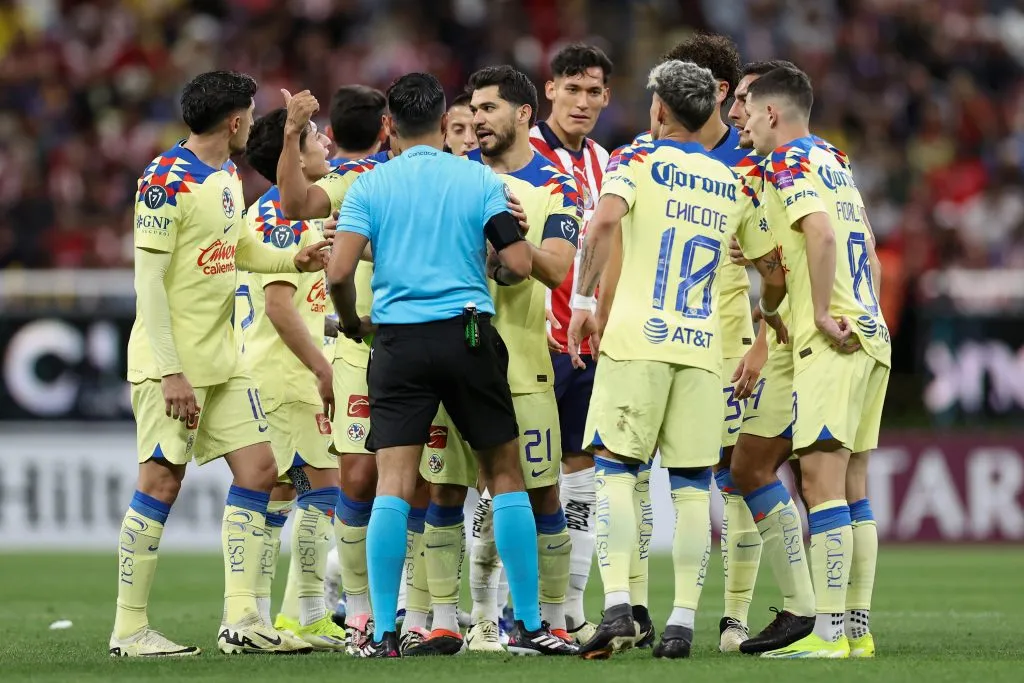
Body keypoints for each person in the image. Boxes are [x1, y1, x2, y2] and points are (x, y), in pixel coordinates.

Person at [324, 71, 573, 658]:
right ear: (443, 124)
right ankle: (534, 625)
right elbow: (515, 258)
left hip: (398, 343)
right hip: (467, 333)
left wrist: (354, 320)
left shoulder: (369, 186)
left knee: (395, 483)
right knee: (505, 476)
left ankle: (384, 631)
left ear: (389, 126)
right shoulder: (479, 180)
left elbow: (337, 272)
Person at [566, 59, 786, 661]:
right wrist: (764, 324)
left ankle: (616, 609)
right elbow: (774, 268)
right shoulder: (734, 184)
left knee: (614, 471)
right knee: (693, 488)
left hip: (636, 340)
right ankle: (684, 623)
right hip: (702, 349)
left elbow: (602, 224)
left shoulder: (632, 161)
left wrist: (584, 302)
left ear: (660, 108)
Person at [112, 70, 328, 657]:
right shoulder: (165, 180)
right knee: (161, 480)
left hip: (225, 361)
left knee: (260, 470)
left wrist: (295, 257)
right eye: (252, 117)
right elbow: (149, 282)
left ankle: (242, 621)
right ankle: (129, 629)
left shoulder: (228, 175)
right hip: (173, 364)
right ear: (234, 121)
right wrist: (169, 370)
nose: (253, 125)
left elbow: (236, 251)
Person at [413, 65, 582, 656]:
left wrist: (511, 241)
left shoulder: (559, 185)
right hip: (452, 357)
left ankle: (553, 622)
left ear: (524, 116)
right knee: (444, 495)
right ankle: (441, 622)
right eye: (473, 110)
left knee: (542, 496)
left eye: (488, 109)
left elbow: (557, 268)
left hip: (523, 365)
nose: (477, 120)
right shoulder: (452, 179)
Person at [742, 65, 890, 658]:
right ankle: (857, 630)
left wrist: (827, 316)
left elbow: (822, 236)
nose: (747, 124)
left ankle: (827, 633)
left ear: (773, 114)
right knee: (855, 488)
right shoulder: (835, 158)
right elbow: (872, 252)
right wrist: (866, 312)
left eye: (750, 112)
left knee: (818, 482)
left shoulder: (788, 160)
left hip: (831, 341)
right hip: (872, 333)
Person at [235, 108, 348, 650]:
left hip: (270, 370)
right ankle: (306, 614)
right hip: (287, 376)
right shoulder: (285, 212)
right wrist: (323, 368)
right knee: (324, 491)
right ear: (292, 155)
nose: (325, 140)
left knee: (279, 495)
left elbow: (297, 304)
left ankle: (261, 618)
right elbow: (280, 307)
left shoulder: (276, 210)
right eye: (312, 136)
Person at [720, 59, 819, 656]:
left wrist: (762, 337)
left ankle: (813, 615)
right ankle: (831, 618)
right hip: (806, 334)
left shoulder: (777, 170)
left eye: (746, 102)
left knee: (807, 476)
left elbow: (780, 270)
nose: (738, 113)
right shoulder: (826, 161)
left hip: (798, 339)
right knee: (777, 471)